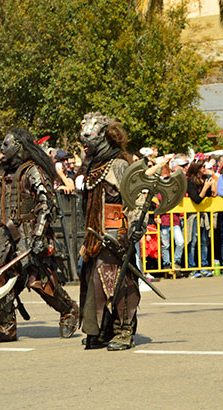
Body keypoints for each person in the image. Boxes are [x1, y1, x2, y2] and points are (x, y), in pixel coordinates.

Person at [0, 128, 79, 343]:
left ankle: (69, 309)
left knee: (39, 280)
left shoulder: (33, 170)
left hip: (29, 234)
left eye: (6, 145)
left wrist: (39, 235)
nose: (2, 150)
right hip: (3, 237)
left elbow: (47, 204)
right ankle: (6, 327)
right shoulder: (2, 172)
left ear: (18, 146)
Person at [78, 112, 146, 351]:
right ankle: (101, 329)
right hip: (94, 234)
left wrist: (136, 224)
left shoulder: (119, 164)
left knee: (117, 279)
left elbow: (137, 198)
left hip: (116, 232)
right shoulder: (93, 165)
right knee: (93, 280)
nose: (87, 147)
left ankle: (124, 329)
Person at [186, 160, 215, 278]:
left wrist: (211, 184)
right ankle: (192, 267)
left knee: (204, 241)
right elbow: (196, 200)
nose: (205, 169)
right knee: (193, 242)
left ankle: (204, 266)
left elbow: (213, 194)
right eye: (202, 167)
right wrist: (205, 187)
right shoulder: (190, 182)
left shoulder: (206, 179)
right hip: (193, 216)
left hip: (204, 215)